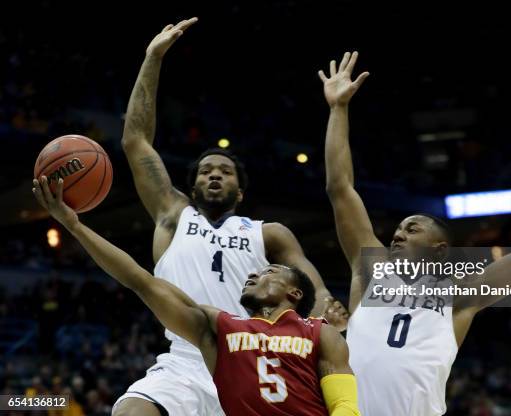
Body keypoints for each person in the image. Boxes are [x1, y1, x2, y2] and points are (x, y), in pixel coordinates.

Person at [319, 51, 511, 415]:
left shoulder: (460, 295)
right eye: (398, 229)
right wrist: (338, 109)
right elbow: (341, 188)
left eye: (411, 229)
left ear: (438, 249)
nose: (397, 235)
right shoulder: (369, 270)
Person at [118, 18, 347, 415]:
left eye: (224, 171)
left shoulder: (269, 233)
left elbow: (310, 284)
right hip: (187, 359)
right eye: (206, 170)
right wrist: (152, 58)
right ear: (192, 187)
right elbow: (135, 141)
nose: (214, 174)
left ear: (240, 192)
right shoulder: (174, 215)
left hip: (251, 358)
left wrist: (327, 307)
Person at [32, 177, 360, 416]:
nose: (253, 274)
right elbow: (140, 281)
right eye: (255, 272)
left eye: (267, 272)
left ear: (295, 292)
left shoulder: (320, 333)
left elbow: (344, 404)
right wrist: (75, 226)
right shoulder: (222, 328)